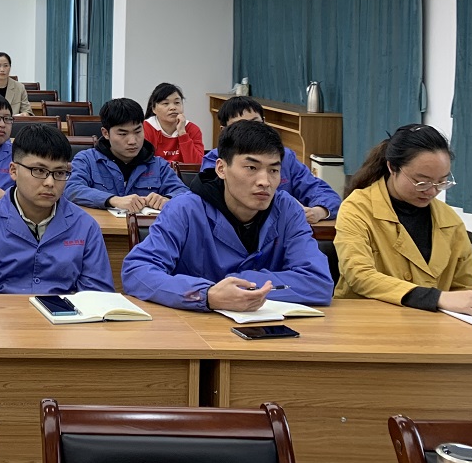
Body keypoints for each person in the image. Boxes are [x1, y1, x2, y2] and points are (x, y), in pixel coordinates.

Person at [121, 120, 334, 311]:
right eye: (251, 167)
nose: (265, 181)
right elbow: (137, 272)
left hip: (267, 329)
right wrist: (207, 295)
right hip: (196, 329)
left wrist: (243, 284)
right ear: (221, 169)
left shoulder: (288, 211)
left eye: (273, 170)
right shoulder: (185, 209)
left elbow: (319, 282)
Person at [335, 124, 472, 316]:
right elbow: (359, 275)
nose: (432, 191)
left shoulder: (450, 221)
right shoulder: (358, 208)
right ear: (392, 167)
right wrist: (435, 298)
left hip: (431, 323)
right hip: (367, 319)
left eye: (441, 182)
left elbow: (464, 287)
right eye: (421, 182)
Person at [0, 124, 113, 294]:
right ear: (13, 171)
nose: (50, 182)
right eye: (39, 170)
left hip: (65, 310)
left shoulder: (85, 226)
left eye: (60, 173)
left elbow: (97, 294)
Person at [200, 97, 340, 224]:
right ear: (224, 131)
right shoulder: (215, 160)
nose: (250, 131)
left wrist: (318, 211)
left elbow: (320, 191)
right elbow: (216, 199)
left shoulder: (285, 157)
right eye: (240, 126)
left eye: (256, 123)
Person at [66, 98, 189, 212]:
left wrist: (167, 199)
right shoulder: (87, 160)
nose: (132, 141)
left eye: (138, 131)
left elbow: (184, 193)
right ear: (106, 133)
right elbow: (71, 189)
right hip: (102, 226)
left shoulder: (158, 165)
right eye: (123, 134)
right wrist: (112, 200)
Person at [142, 82, 205, 165]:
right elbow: (144, 162)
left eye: (177, 103)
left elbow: (197, 165)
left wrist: (182, 133)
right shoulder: (145, 128)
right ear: (154, 108)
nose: (173, 108)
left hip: (185, 174)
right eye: (165, 103)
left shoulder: (192, 129)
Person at [0, 51, 32, 116]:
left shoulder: (19, 88)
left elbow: (27, 111)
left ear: (10, 67)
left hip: (12, 121)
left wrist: (25, 114)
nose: (2, 69)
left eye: (6, 66)